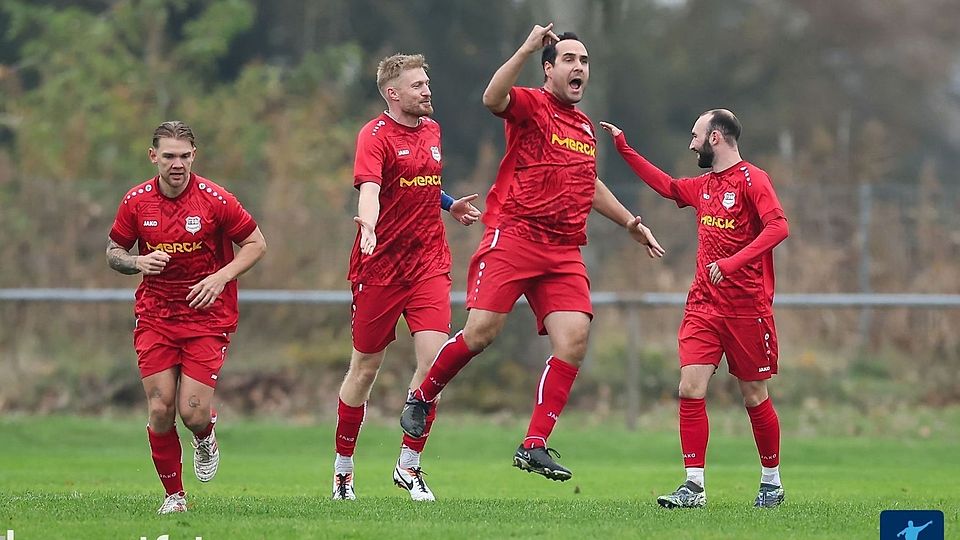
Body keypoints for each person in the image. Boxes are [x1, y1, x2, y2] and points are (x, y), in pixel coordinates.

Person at [400, 24, 664, 482]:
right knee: (481, 332)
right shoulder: (532, 104)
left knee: (575, 339)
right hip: (515, 235)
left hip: (562, 250)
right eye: (569, 60)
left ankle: (534, 444)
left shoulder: (584, 127)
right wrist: (524, 46)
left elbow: (589, 182)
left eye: (584, 61)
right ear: (549, 69)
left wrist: (629, 223)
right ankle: (422, 397)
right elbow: (491, 99)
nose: (579, 67)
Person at [599, 110, 789, 508]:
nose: (691, 144)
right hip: (704, 305)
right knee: (690, 387)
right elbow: (666, 186)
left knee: (754, 395)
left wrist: (732, 263)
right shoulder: (704, 186)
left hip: (746, 307)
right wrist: (624, 148)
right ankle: (694, 486)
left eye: (696, 135)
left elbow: (778, 228)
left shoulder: (754, 180)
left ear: (715, 138)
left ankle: (771, 481)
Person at [332, 53, 482, 502]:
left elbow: (421, 182)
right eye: (417, 85)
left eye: (427, 83)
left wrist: (450, 203)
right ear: (393, 94)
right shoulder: (373, 136)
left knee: (434, 364)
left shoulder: (432, 131)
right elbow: (373, 189)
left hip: (428, 263)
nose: (427, 91)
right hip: (378, 265)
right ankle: (343, 470)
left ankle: (409, 466)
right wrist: (369, 224)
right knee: (364, 369)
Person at [106, 121, 267, 514]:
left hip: (206, 318)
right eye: (168, 156)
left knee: (192, 412)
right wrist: (136, 261)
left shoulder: (215, 199)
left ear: (194, 155)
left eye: (184, 156)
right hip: (156, 315)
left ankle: (205, 434)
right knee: (160, 407)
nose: (177, 164)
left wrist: (221, 276)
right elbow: (114, 251)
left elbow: (256, 243)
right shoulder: (136, 202)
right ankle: (175, 497)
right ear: (153, 156)